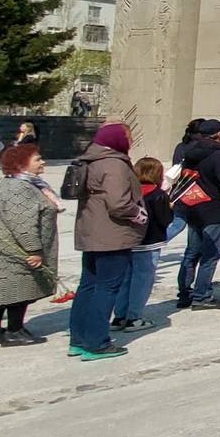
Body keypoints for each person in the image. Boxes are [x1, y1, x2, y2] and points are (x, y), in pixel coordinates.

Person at [69, 123, 145, 360]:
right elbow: (118, 203)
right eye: (128, 136)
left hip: (90, 231)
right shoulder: (114, 164)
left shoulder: (90, 160)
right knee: (107, 287)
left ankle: (79, 339)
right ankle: (97, 342)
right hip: (112, 235)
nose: (131, 140)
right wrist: (138, 213)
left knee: (88, 286)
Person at [0, 143, 60, 346]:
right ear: (21, 164)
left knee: (2, 288)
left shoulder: (23, 183)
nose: (43, 162)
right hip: (18, 250)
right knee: (18, 288)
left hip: (7, 249)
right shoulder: (19, 188)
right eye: (38, 159)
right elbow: (23, 223)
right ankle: (14, 331)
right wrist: (34, 250)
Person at [175, 119, 220, 310]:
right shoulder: (219, 155)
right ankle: (201, 295)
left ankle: (185, 292)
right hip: (214, 208)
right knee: (210, 254)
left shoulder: (190, 151)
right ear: (218, 135)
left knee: (191, 252)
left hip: (193, 206)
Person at [111, 157, 171, 332]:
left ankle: (119, 316)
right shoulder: (158, 194)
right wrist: (170, 207)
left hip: (129, 241)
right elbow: (165, 219)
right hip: (149, 243)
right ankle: (134, 317)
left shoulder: (130, 191)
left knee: (126, 279)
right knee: (142, 281)